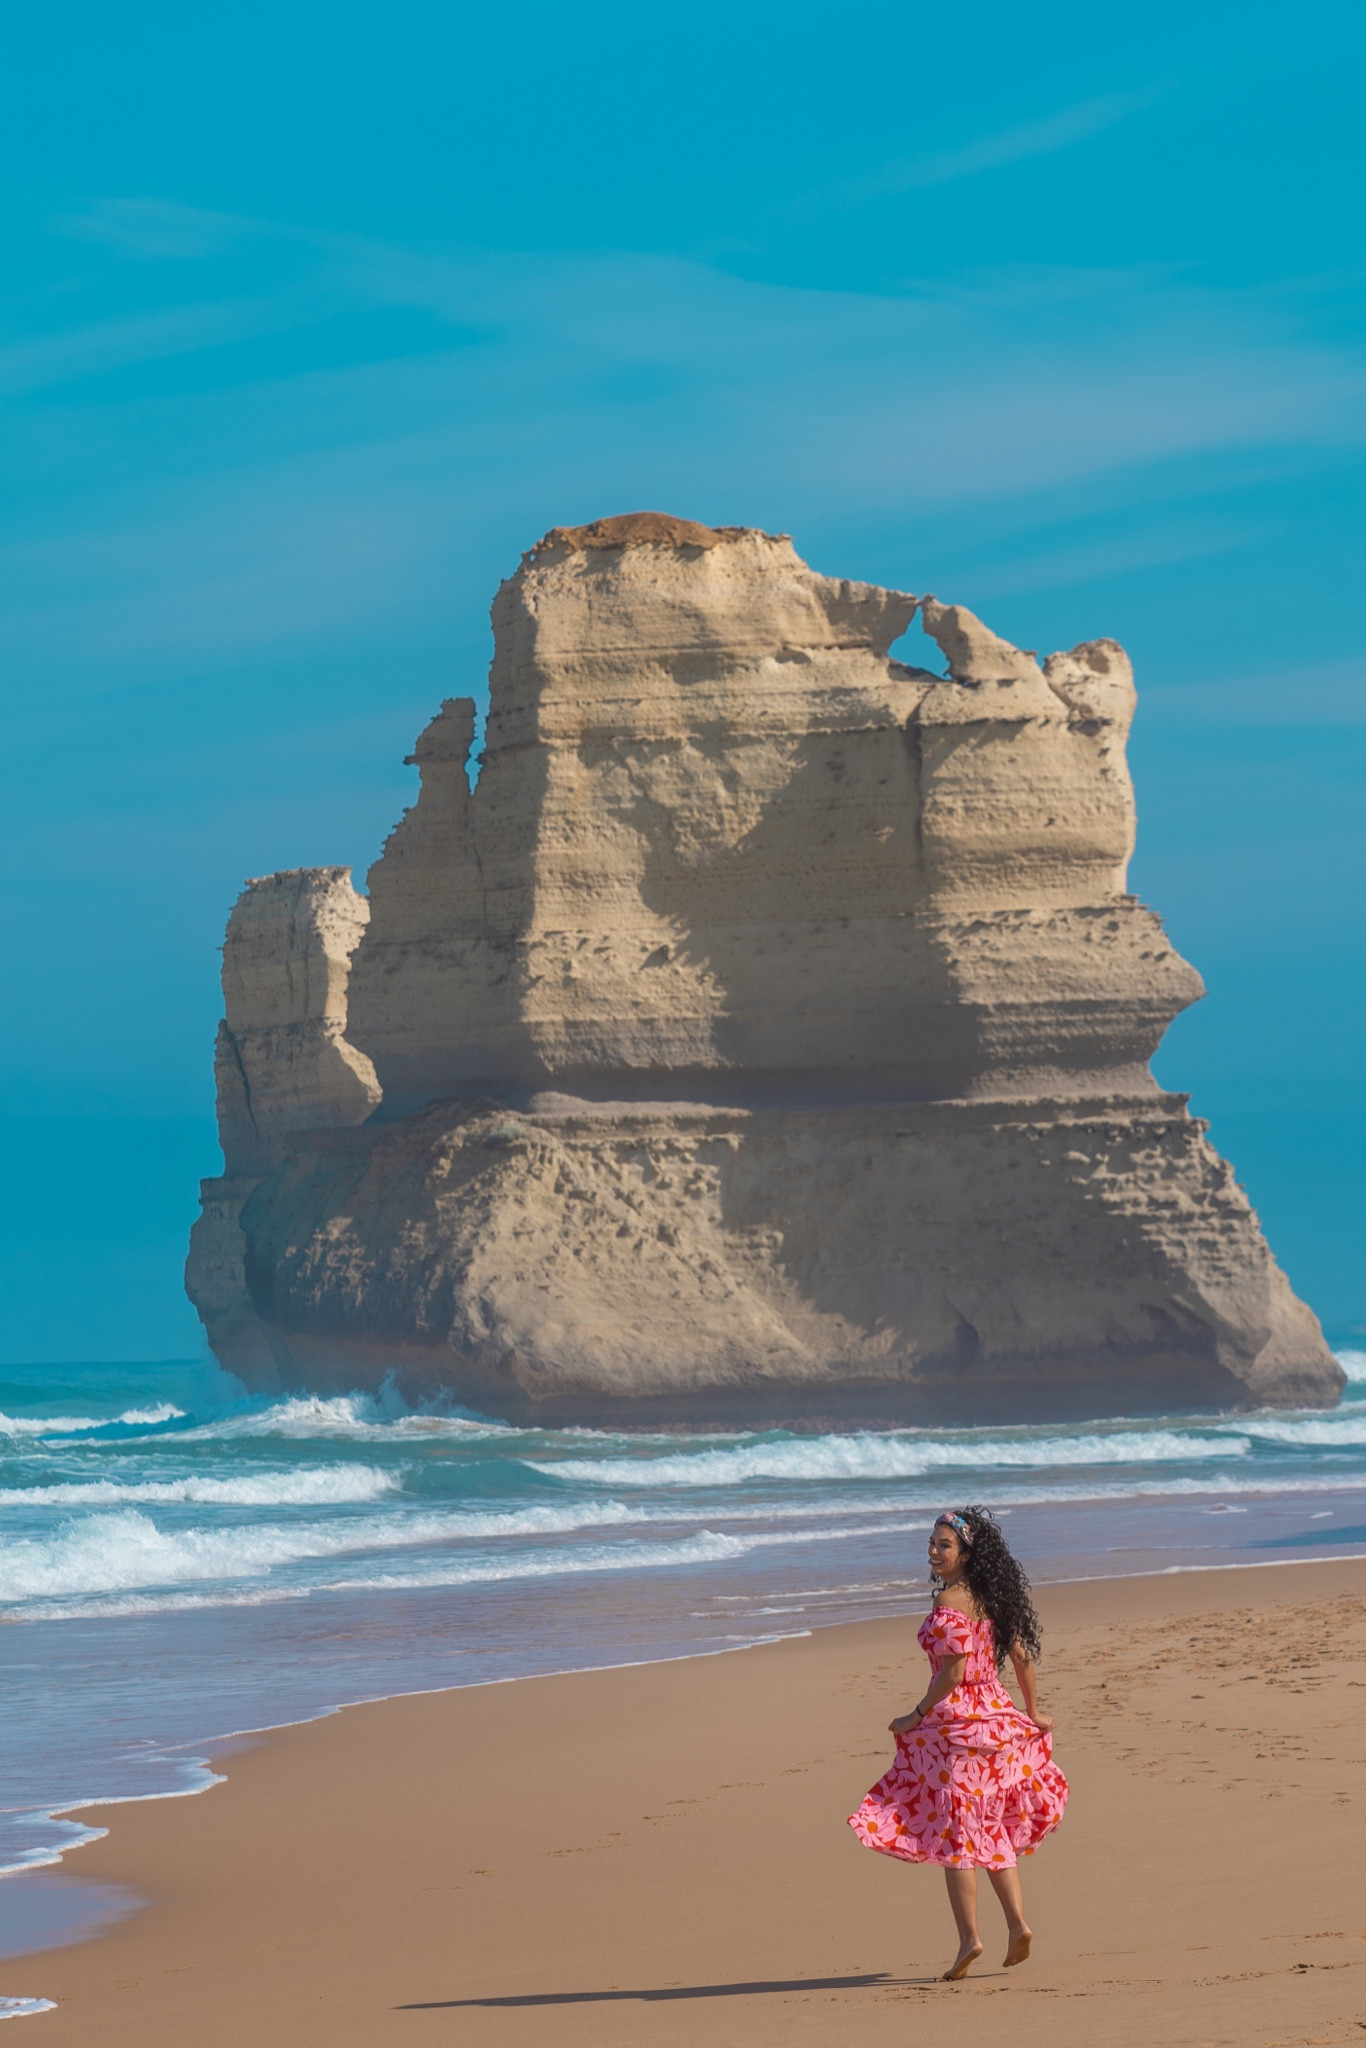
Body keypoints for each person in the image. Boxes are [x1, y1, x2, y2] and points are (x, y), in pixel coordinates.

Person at [847, 1506, 1068, 1981]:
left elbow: (952, 1674)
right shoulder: (992, 1599)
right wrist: (1032, 1711)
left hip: (957, 1728)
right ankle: (1017, 1924)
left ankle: (970, 1938)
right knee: (990, 1829)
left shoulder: (949, 1601)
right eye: (931, 1543)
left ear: (966, 1554)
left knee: (957, 1838)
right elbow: (1022, 1658)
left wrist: (915, 1714)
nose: (933, 1551)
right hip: (995, 1719)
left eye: (944, 1545)